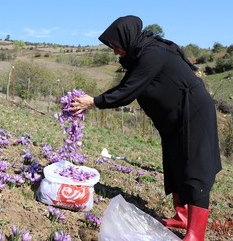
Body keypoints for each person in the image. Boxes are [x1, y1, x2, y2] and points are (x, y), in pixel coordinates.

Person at [71, 15, 222, 241]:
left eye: (116, 46)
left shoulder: (152, 54)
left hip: (193, 115)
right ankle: (182, 216)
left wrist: (94, 101)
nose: (114, 52)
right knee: (175, 163)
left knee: (194, 168)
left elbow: (127, 91)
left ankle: (195, 233)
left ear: (127, 39)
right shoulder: (141, 53)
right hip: (174, 119)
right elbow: (127, 85)